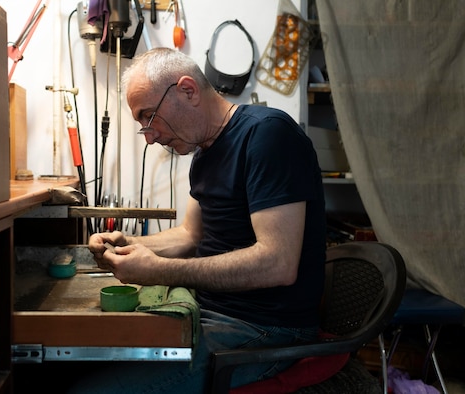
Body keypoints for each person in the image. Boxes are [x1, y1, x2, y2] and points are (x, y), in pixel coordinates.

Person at [73, 47, 326, 393]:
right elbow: (191, 235)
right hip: (211, 310)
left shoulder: (268, 136)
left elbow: (277, 264)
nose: (149, 136)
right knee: (73, 362)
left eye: (149, 117)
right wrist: (131, 244)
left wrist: (159, 270)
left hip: (267, 328)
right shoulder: (205, 154)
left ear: (187, 91)